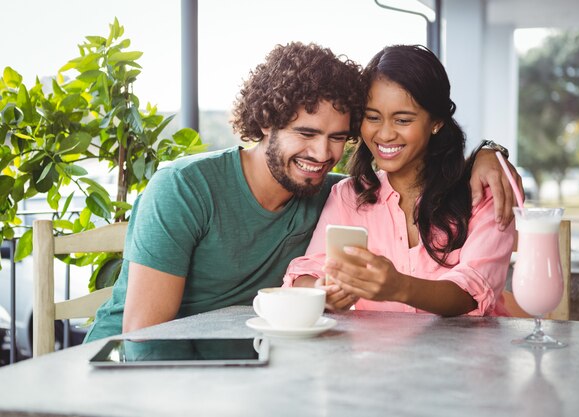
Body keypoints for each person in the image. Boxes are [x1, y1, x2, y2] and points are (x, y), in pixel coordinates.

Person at [85, 42, 519, 342]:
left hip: (243, 361)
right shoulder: (183, 188)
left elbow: (313, 274)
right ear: (266, 120)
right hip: (129, 361)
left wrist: (486, 152)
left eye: (337, 138)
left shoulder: (332, 192)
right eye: (306, 133)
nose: (321, 154)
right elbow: (142, 337)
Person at [284, 45, 515, 317]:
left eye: (402, 120)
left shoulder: (483, 191)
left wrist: (399, 287)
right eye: (372, 117)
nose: (384, 134)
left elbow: (473, 292)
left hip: (468, 355)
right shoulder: (348, 195)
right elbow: (304, 272)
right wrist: (323, 291)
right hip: (379, 357)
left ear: (436, 122)